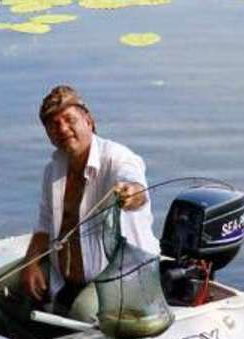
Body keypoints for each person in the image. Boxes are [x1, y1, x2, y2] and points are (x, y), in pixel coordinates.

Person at [20, 85, 159, 316]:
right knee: (4, 286)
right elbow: (44, 224)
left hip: (122, 274)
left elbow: (136, 186)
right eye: (53, 125)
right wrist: (31, 263)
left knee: (83, 311)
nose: (62, 129)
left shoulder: (118, 158)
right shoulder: (52, 170)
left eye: (69, 120)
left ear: (89, 121)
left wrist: (131, 193)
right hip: (62, 275)